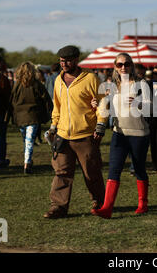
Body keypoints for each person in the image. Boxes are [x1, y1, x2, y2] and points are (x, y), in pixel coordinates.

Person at [43, 45, 107, 219]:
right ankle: (58, 207)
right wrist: (53, 127)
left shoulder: (91, 78)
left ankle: (100, 202)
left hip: (86, 135)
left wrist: (101, 124)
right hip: (62, 135)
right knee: (62, 172)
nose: (64, 64)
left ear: (77, 60)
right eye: (61, 61)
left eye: (67, 60)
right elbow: (57, 106)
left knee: (91, 172)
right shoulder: (58, 80)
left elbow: (102, 103)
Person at [92, 53, 151, 219]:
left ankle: (143, 204)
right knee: (114, 169)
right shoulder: (111, 86)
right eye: (119, 64)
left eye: (126, 64)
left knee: (139, 169)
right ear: (115, 66)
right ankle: (107, 208)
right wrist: (97, 104)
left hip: (139, 134)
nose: (123, 67)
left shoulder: (141, 84)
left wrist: (139, 103)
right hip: (119, 133)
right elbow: (105, 108)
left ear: (131, 65)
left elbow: (150, 108)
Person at [7, 62, 53, 174]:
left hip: (20, 117)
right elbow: (46, 98)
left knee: (26, 140)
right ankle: (27, 163)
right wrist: (49, 111)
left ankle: (27, 161)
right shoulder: (36, 84)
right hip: (33, 116)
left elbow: (12, 100)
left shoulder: (17, 85)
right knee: (29, 140)